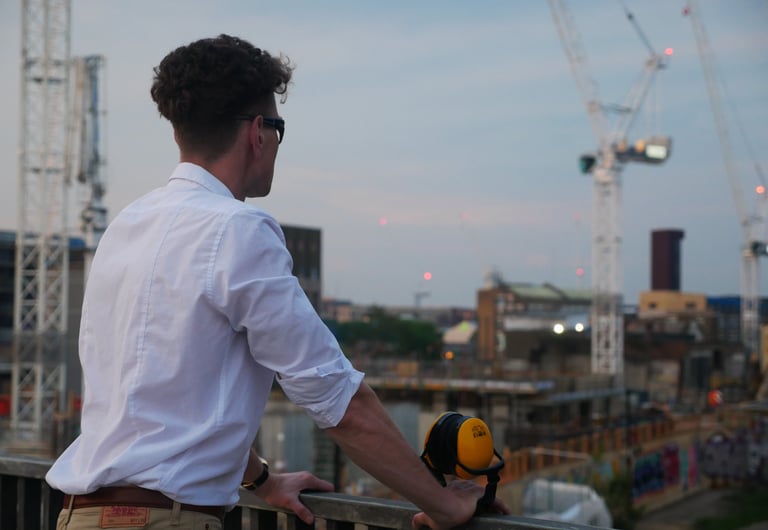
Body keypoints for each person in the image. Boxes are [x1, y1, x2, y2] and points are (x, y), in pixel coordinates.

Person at [46, 34, 509, 530]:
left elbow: (162, 400)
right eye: (278, 127)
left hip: (80, 516)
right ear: (258, 133)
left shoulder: (127, 226)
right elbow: (338, 400)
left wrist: (262, 481)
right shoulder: (238, 230)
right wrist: (445, 505)